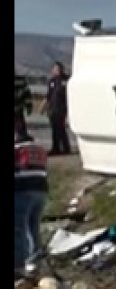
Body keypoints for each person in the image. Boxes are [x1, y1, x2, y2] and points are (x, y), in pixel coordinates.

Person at [14, 127, 49, 279]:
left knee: (18, 228)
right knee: (33, 226)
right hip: (41, 191)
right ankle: (35, 262)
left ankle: (18, 265)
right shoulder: (39, 149)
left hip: (22, 190)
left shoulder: (17, 148)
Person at [44, 62, 73, 156]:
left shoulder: (66, 80)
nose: (57, 70)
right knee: (54, 129)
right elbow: (48, 96)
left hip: (62, 108)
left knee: (61, 129)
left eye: (59, 68)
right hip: (53, 109)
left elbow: (70, 95)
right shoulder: (52, 81)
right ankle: (55, 148)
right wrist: (43, 107)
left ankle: (66, 148)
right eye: (55, 68)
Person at [14, 71, 33, 138]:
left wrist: (29, 106)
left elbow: (27, 94)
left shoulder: (21, 80)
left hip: (18, 108)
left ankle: (22, 136)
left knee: (20, 125)